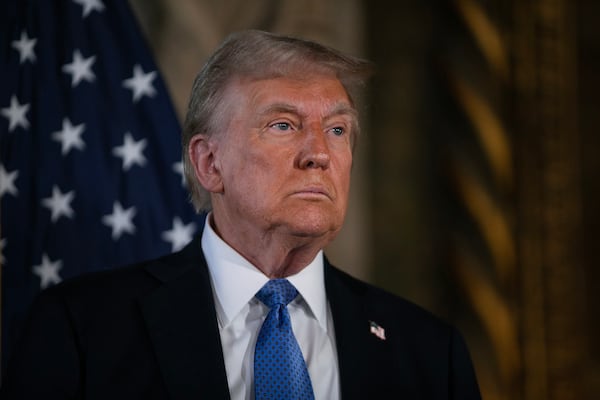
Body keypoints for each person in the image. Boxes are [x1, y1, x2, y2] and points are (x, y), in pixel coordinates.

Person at [0, 30, 481, 399]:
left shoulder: (429, 354)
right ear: (209, 163)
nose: (319, 153)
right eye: (283, 124)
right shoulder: (82, 330)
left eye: (337, 129)